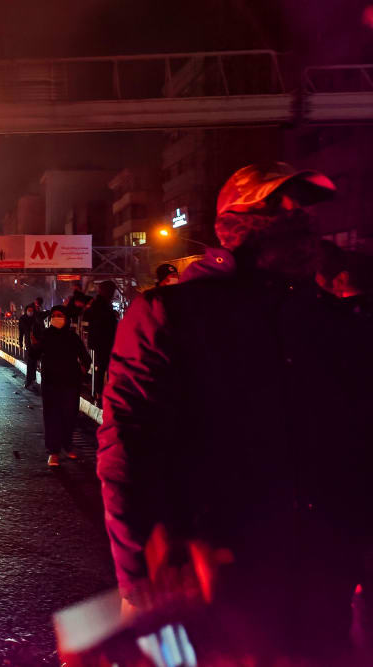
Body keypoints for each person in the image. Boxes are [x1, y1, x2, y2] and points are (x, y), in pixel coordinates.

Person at [97, 162, 373, 662]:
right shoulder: (171, 315)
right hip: (216, 582)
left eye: (303, 206)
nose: (298, 216)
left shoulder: (338, 322)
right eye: (279, 204)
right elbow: (128, 451)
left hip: (323, 579)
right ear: (238, 220)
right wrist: (139, 573)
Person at [36, 306, 91, 467]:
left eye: (60, 315)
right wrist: (33, 345)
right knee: (52, 417)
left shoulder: (72, 337)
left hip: (70, 383)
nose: (57, 318)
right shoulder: (46, 335)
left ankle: (67, 445)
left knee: (69, 416)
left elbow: (85, 358)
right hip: (51, 383)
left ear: (66, 318)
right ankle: (54, 452)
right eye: (54, 316)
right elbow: (35, 353)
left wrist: (81, 371)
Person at [82, 280, 118, 403]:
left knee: (104, 368)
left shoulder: (102, 303)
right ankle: (99, 394)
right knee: (102, 368)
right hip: (103, 340)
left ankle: (101, 393)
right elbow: (99, 320)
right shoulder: (99, 304)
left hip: (104, 340)